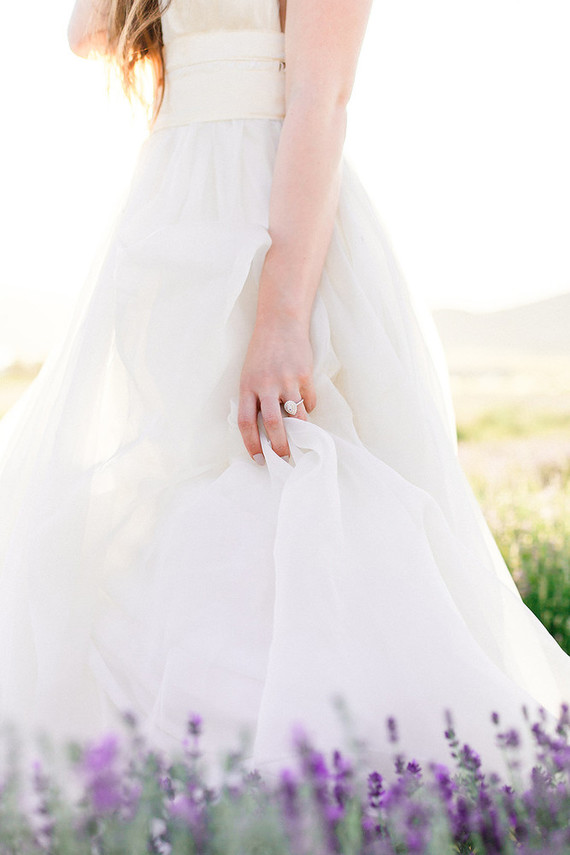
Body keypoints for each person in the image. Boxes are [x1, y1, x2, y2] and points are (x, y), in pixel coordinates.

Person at [0, 0, 568, 782]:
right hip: (170, 229)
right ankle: (177, 770)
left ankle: (317, 770)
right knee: (157, 499)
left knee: (281, 484)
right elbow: (86, 33)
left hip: (269, 221)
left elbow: (321, 100)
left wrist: (281, 316)